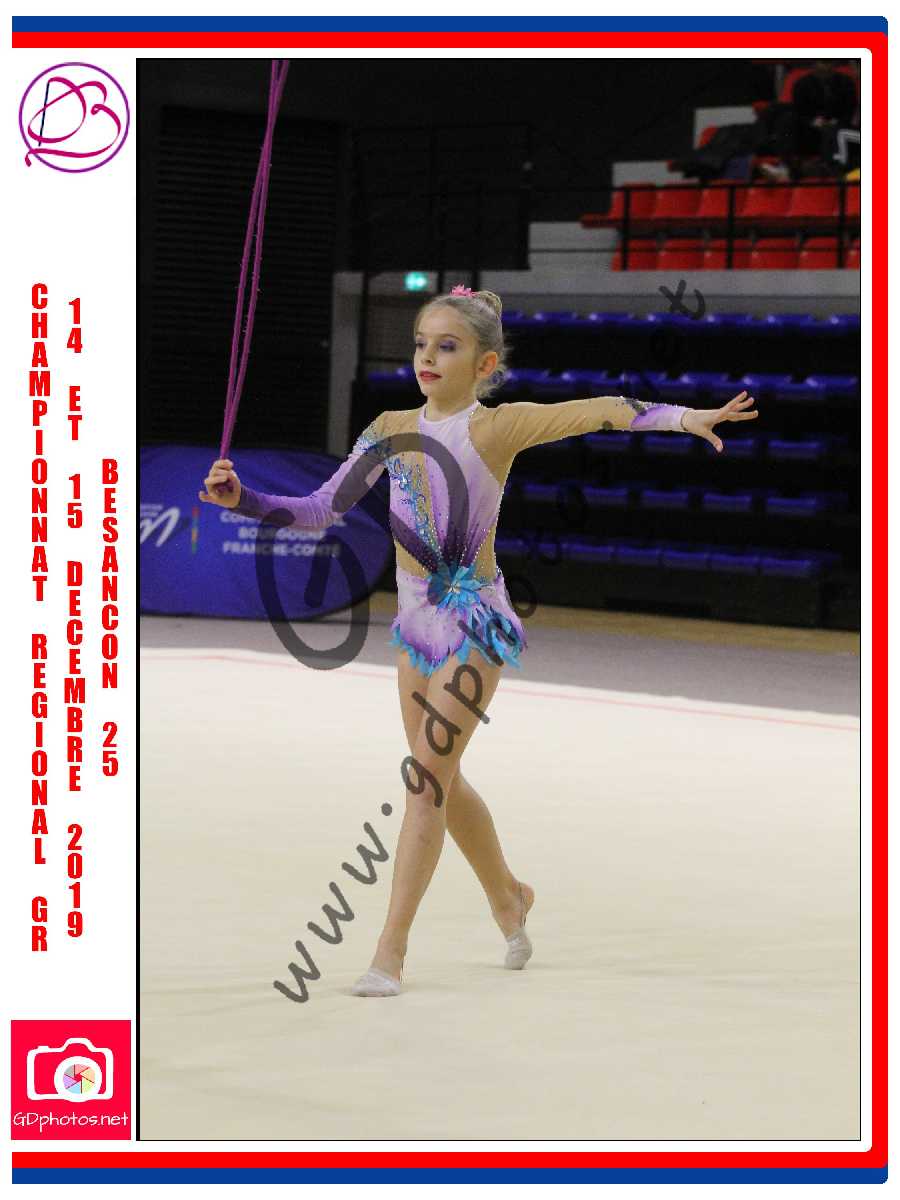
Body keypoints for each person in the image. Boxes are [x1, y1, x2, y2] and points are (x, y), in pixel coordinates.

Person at [199, 286, 758, 997]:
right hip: (415, 630)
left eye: (448, 346)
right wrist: (246, 501)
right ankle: (509, 896)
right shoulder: (388, 429)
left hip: (475, 622)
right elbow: (317, 510)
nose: (427, 357)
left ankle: (389, 952)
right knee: (443, 777)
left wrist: (686, 417)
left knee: (425, 783)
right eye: (420, 344)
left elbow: (600, 411)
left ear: (485, 363)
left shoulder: (496, 428)